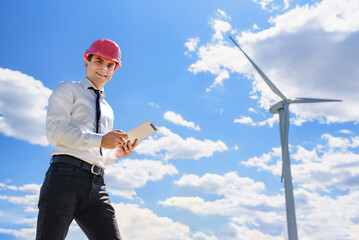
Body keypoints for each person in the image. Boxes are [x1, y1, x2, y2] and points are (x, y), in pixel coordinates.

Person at [36, 38, 137, 240]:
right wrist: (101, 140)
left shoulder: (108, 110)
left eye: (110, 65)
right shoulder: (68, 89)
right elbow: (55, 131)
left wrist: (116, 153)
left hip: (97, 184)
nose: (104, 69)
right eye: (99, 61)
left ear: (115, 70)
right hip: (64, 177)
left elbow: (100, 155)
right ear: (86, 62)